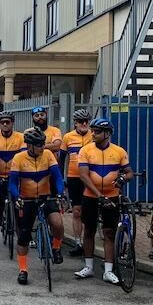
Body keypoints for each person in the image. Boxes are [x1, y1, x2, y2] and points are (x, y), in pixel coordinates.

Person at [75, 118, 133, 285]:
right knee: (89, 230)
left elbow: (129, 172)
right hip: (91, 196)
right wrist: (99, 195)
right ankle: (88, 267)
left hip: (112, 195)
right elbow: (83, 176)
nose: (93, 134)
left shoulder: (119, 151)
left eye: (97, 131)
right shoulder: (85, 150)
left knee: (109, 232)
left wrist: (123, 178)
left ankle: (108, 270)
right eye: (92, 131)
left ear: (107, 134)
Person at [8, 128, 65, 284]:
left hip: (46, 197)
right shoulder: (19, 158)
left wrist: (60, 193)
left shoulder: (48, 155)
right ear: (29, 145)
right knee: (24, 235)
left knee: (58, 223)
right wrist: (17, 197)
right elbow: (12, 183)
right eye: (39, 144)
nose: (42, 147)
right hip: (26, 199)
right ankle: (23, 270)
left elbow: (58, 177)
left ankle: (56, 247)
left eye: (43, 143)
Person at [0, 110, 25, 252]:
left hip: (14, 178)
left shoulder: (20, 137)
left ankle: (21, 237)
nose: (5, 124)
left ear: (12, 123)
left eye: (8, 122)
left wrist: (18, 175)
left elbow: (22, 157)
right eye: (2, 122)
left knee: (18, 208)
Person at [61, 109, 93, 256]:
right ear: (75, 123)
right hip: (74, 177)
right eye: (81, 121)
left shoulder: (94, 135)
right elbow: (61, 159)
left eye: (86, 121)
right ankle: (78, 242)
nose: (84, 124)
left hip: (91, 178)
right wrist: (61, 178)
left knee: (89, 212)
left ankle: (88, 239)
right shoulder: (67, 137)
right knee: (76, 211)